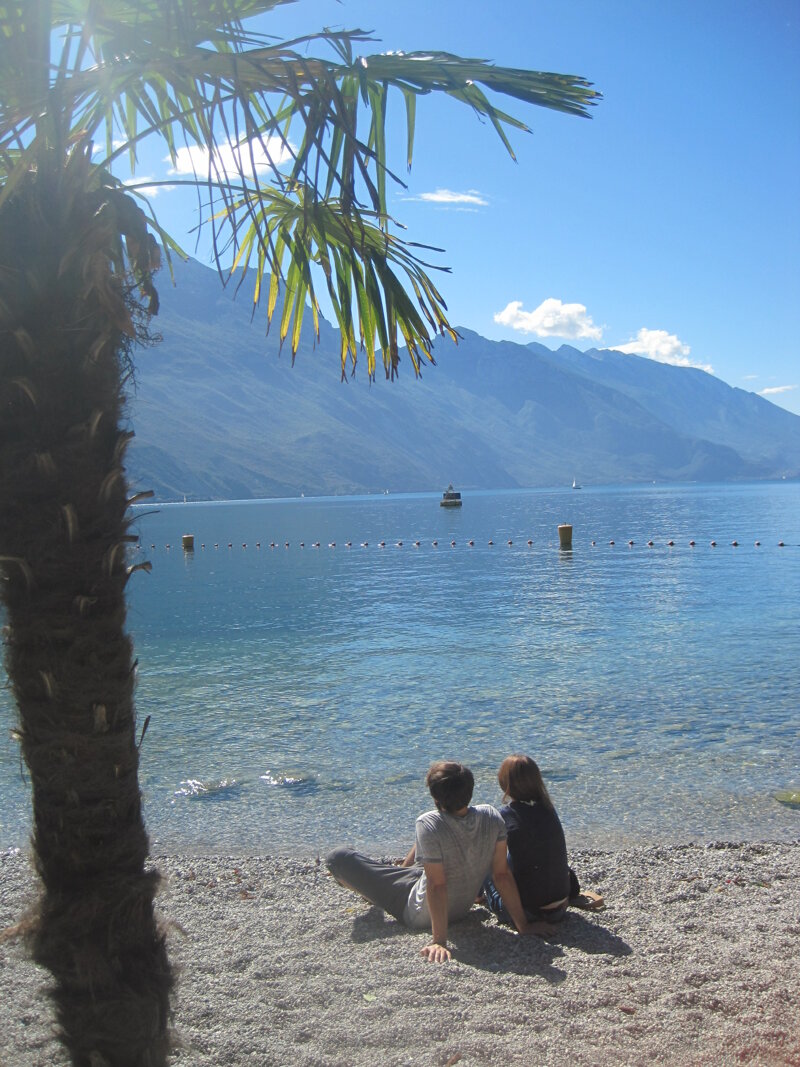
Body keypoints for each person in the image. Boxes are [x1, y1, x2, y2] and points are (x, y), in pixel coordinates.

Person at [326, 760, 551, 963]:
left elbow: (437, 885)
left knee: (338, 857)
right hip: (457, 905)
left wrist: (439, 941)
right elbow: (502, 875)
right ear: (470, 791)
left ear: (435, 797)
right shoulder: (491, 815)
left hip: (417, 910)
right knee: (421, 848)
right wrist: (524, 926)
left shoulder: (428, 823)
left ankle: (377, 890)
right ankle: (398, 873)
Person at [482, 754, 604, 924]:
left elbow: (501, 875)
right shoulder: (549, 808)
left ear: (505, 785)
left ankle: (479, 894)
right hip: (560, 907)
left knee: (489, 860)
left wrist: (523, 925)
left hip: (530, 913)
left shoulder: (506, 817)